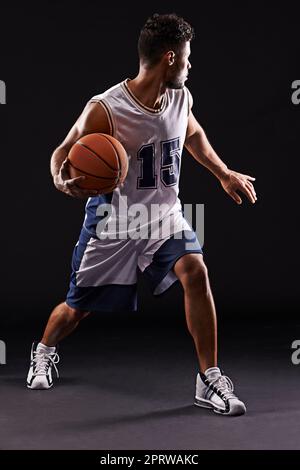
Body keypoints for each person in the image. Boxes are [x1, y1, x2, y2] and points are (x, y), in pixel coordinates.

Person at [26, 13, 256, 416]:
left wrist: (224, 173)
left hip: (164, 216)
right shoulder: (107, 108)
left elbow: (194, 135)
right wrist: (61, 180)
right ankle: (43, 351)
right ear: (169, 57)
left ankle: (209, 378)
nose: (190, 65)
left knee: (196, 272)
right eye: (186, 58)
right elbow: (62, 151)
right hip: (114, 220)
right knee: (76, 308)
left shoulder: (181, 97)